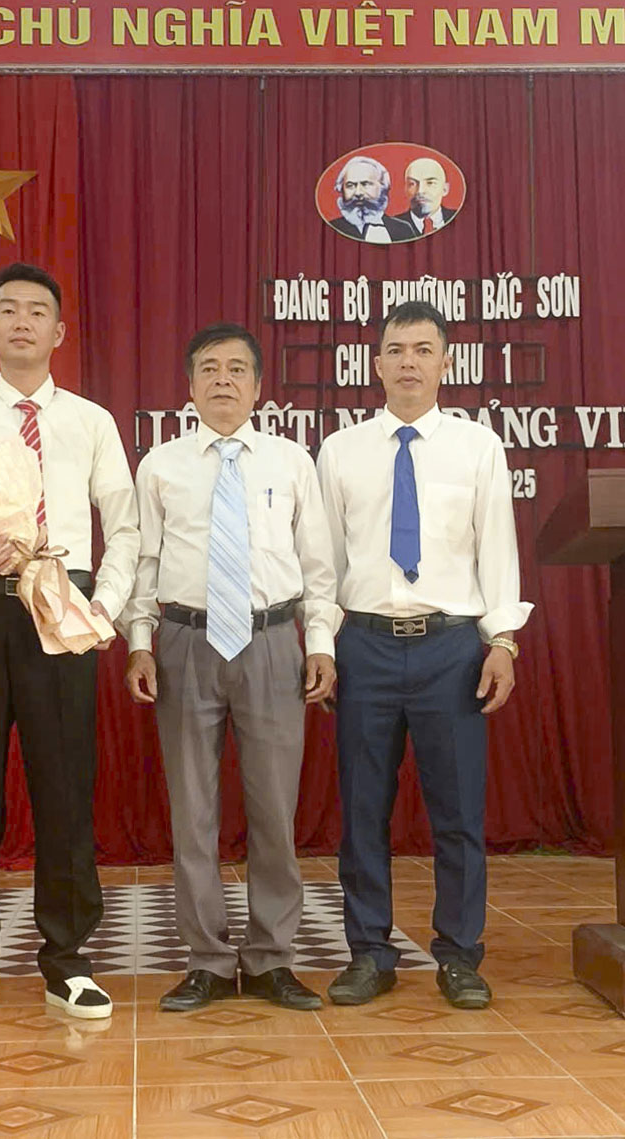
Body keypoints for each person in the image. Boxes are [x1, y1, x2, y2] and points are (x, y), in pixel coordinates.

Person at [0, 262, 139, 1023]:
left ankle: (67, 961)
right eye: (6, 309)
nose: (21, 322)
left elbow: (125, 525)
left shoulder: (91, 421)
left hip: (62, 609)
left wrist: (102, 606)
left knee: (65, 789)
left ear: (59, 331)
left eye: (36, 311)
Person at [317, 300, 533, 1009]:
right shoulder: (340, 451)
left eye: (422, 349)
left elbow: (497, 548)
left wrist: (502, 639)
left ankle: (460, 955)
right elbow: (326, 562)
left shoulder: (478, 447)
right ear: (375, 364)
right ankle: (369, 953)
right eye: (395, 350)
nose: (408, 362)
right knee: (363, 810)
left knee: (458, 812)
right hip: (365, 646)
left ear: (446, 362)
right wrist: (323, 643)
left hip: (451, 648)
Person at [122, 323, 342, 1012]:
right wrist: (139, 640)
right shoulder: (160, 465)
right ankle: (209, 961)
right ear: (188, 386)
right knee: (192, 811)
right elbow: (145, 563)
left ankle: (273, 958)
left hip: (272, 641)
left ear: (258, 385)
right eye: (209, 369)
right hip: (186, 642)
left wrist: (320, 642)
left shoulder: (290, 461)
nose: (223, 380)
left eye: (237, 369)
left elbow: (318, 565)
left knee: (275, 808)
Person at [329, 156, 415, 244]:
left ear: (382, 187)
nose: (358, 193)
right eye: (350, 186)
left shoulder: (403, 229)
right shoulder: (332, 229)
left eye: (365, 184)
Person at [393, 157, 457, 236]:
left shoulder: (460, 219)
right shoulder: (392, 227)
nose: (420, 191)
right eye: (412, 184)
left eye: (430, 183)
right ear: (405, 189)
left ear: (445, 189)